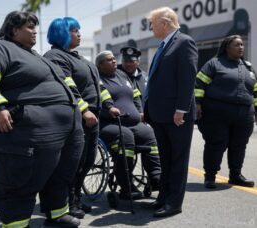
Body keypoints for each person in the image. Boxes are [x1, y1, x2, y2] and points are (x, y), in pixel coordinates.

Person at [0, 11, 84, 228]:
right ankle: (17, 224)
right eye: (30, 27)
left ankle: (57, 214)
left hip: (65, 129)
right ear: (14, 30)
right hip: (27, 130)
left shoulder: (35, 56)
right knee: (20, 179)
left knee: (59, 175)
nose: (35, 32)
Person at [44, 17, 101, 218]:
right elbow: (68, 87)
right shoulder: (55, 56)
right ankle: (67, 201)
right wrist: (84, 110)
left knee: (87, 160)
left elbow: (97, 86)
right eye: (75, 30)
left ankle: (76, 196)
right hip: (76, 118)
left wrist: (108, 106)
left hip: (92, 117)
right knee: (72, 163)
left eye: (79, 30)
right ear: (62, 33)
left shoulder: (78, 58)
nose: (79, 33)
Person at [144, 7, 198, 217]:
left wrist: (181, 110)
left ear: (164, 23)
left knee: (177, 160)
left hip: (177, 116)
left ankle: (174, 203)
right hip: (160, 114)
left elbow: (187, 79)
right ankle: (163, 199)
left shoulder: (184, 42)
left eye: (152, 23)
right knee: (165, 160)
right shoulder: (164, 45)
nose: (150, 27)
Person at [96, 50, 161, 200]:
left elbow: (136, 94)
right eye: (109, 60)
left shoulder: (122, 74)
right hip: (109, 124)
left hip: (132, 123)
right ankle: (126, 185)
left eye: (114, 58)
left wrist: (140, 111)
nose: (113, 61)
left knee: (149, 134)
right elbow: (102, 95)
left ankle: (156, 177)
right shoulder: (98, 78)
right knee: (126, 137)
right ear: (100, 65)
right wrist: (110, 107)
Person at [195, 35, 256, 189]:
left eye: (242, 44)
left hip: (244, 114)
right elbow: (199, 84)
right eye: (237, 45)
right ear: (227, 47)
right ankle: (210, 176)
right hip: (217, 113)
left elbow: (254, 91)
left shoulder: (248, 67)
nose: (241, 47)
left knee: (239, 145)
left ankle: (235, 175)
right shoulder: (214, 64)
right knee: (216, 143)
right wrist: (197, 104)